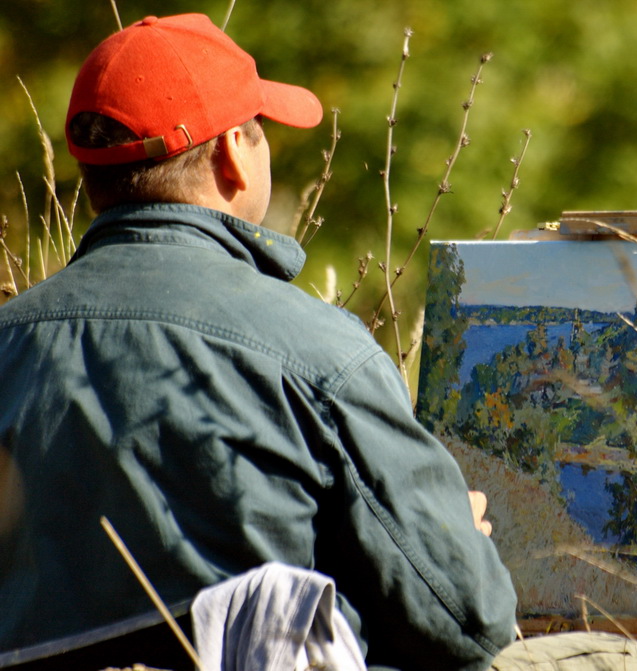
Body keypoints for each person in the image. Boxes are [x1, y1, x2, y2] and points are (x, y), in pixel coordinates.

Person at [0, 13, 516, 670]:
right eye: (262, 131)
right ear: (232, 155)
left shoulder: (7, 345)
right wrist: (460, 542)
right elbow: (469, 625)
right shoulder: (318, 351)